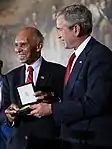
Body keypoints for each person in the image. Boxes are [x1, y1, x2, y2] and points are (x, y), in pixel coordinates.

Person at [32, 4, 112, 149]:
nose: (58, 35)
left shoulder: (100, 56)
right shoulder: (78, 56)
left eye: (60, 29)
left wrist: (52, 109)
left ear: (75, 29)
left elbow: (95, 103)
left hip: (90, 142)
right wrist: (54, 100)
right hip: (74, 139)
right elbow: (77, 96)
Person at [3, 27, 66, 149]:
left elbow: (69, 104)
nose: (18, 50)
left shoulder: (59, 72)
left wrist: (53, 100)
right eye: (16, 45)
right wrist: (9, 115)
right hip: (18, 144)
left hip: (48, 143)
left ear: (38, 46)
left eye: (23, 45)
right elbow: (3, 109)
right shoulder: (11, 77)